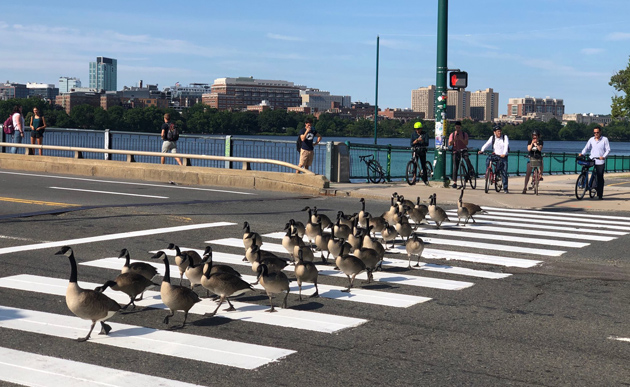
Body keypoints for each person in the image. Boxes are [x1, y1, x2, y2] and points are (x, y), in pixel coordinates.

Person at [579, 126, 610, 200]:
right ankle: (583, 182)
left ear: (600, 132)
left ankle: (600, 194)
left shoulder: (604, 139)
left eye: (597, 132)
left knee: (600, 177)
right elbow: (586, 147)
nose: (596, 134)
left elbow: (608, 150)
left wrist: (603, 156)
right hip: (592, 158)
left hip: (600, 160)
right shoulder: (591, 139)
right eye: (595, 132)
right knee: (584, 168)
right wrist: (582, 153)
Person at [478, 125, 509, 193]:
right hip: (495, 155)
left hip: (503, 156)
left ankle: (505, 188)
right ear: (494, 132)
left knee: (504, 171)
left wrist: (504, 153)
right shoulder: (492, 138)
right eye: (498, 131)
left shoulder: (504, 137)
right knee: (488, 159)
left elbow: (506, 145)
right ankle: (488, 172)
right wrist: (482, 150)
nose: (499, 133)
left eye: (500, 131)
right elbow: (487, 144)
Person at [448, 121, 472, 189]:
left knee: (467, 160)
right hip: (456, 151)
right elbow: (449, 144)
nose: (458, 128)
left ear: (460, 127)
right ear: (455, 127)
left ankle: (470, 172)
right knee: (456, 166)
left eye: (459, 127)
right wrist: (455, 140)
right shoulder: (452, 135)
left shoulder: (464, 134)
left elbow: (466, 143)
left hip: (463, 150)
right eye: (456, 127)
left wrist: (461, 139)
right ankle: (455, 182)